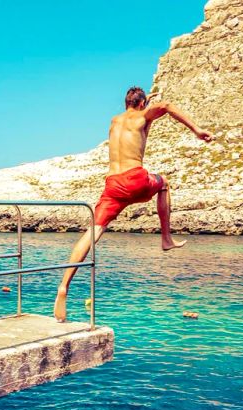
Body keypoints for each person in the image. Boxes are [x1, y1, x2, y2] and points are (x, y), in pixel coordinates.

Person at [53, 86, 213, 322]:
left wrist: (145, 104)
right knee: (164, 183)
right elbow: (166, 107)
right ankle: (166, 239)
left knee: (92, 233)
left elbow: (137, 118)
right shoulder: (142, 116)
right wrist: (197, 130)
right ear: (142, 105)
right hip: (135, 179)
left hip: (112, 185)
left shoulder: (115, 120)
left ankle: (64, 285)